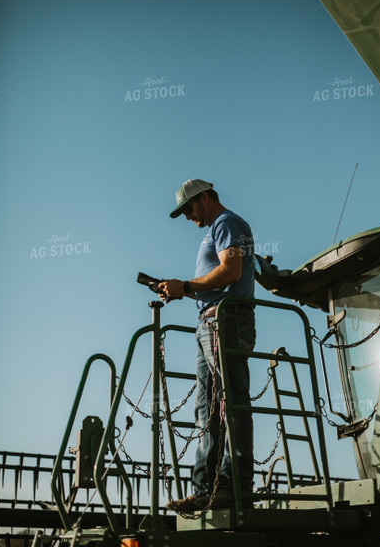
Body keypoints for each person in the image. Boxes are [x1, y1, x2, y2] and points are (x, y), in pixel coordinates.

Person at [158, 178, 256, 512]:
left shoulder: (227, 224)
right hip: (211, 321)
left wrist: (184, 285)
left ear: (204, 197)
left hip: (225, 321)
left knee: (229, 403)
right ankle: (207, 488)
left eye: (188, 208)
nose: (187, 216)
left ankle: (233, 485)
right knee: (209, 406)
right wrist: (183, 290)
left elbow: (231, 271)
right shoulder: (217, 228)